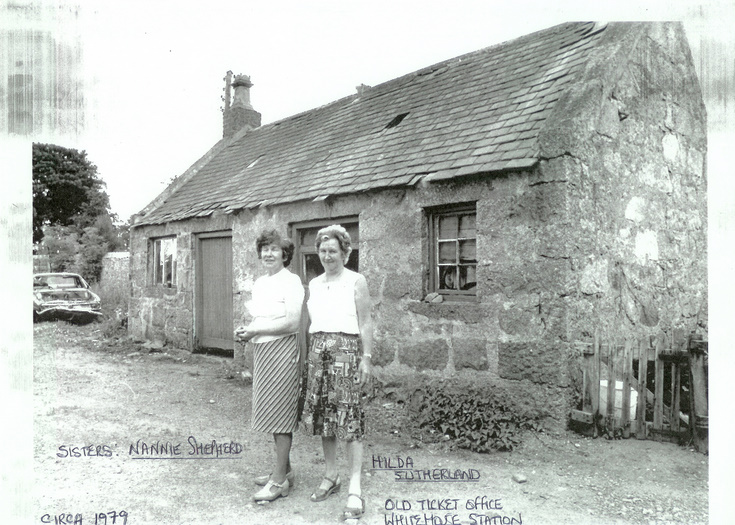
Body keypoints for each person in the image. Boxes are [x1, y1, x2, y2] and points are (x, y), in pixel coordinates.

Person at [302, 224, 373, 520]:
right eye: (322, 250)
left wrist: (366, 358)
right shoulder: (315, 283)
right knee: (324, 417)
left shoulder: (356, 281)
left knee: (349, 418)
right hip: (319, 352)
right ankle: (331, 475)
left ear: (345, 252)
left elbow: (366, 322)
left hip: (346, 351)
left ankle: (354, 487)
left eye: (333, 250)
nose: (327, 255)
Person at [235, 229, 305, 502]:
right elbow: (261, 318)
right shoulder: (261, 283)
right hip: (263, 351)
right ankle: (284, 470)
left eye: (274, 249)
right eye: (264, 249)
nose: (268, 253)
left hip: (283, 351)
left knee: (281, 414)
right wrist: (248, 330)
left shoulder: (292, 281)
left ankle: (278, 482)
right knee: (270, 411)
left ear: (285, 254)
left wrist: (256, 330)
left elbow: (291, 322)